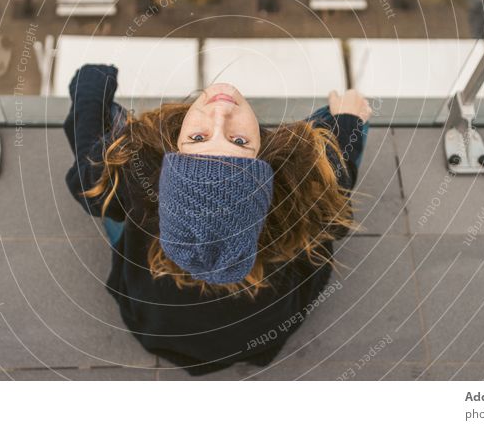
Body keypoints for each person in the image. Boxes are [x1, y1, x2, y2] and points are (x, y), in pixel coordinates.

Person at [64, 64, 371, 375]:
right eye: (238, 142)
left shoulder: (137, 180)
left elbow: (88, 176)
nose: (220, 112)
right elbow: (337, 182)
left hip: (156, 322)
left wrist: (92, 85)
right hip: (258, 335)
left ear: (175, 152)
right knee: (326, 151)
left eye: (199, 138)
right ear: (265, 162)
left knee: (111, 172)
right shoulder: (298, 198)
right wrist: (348, 121)